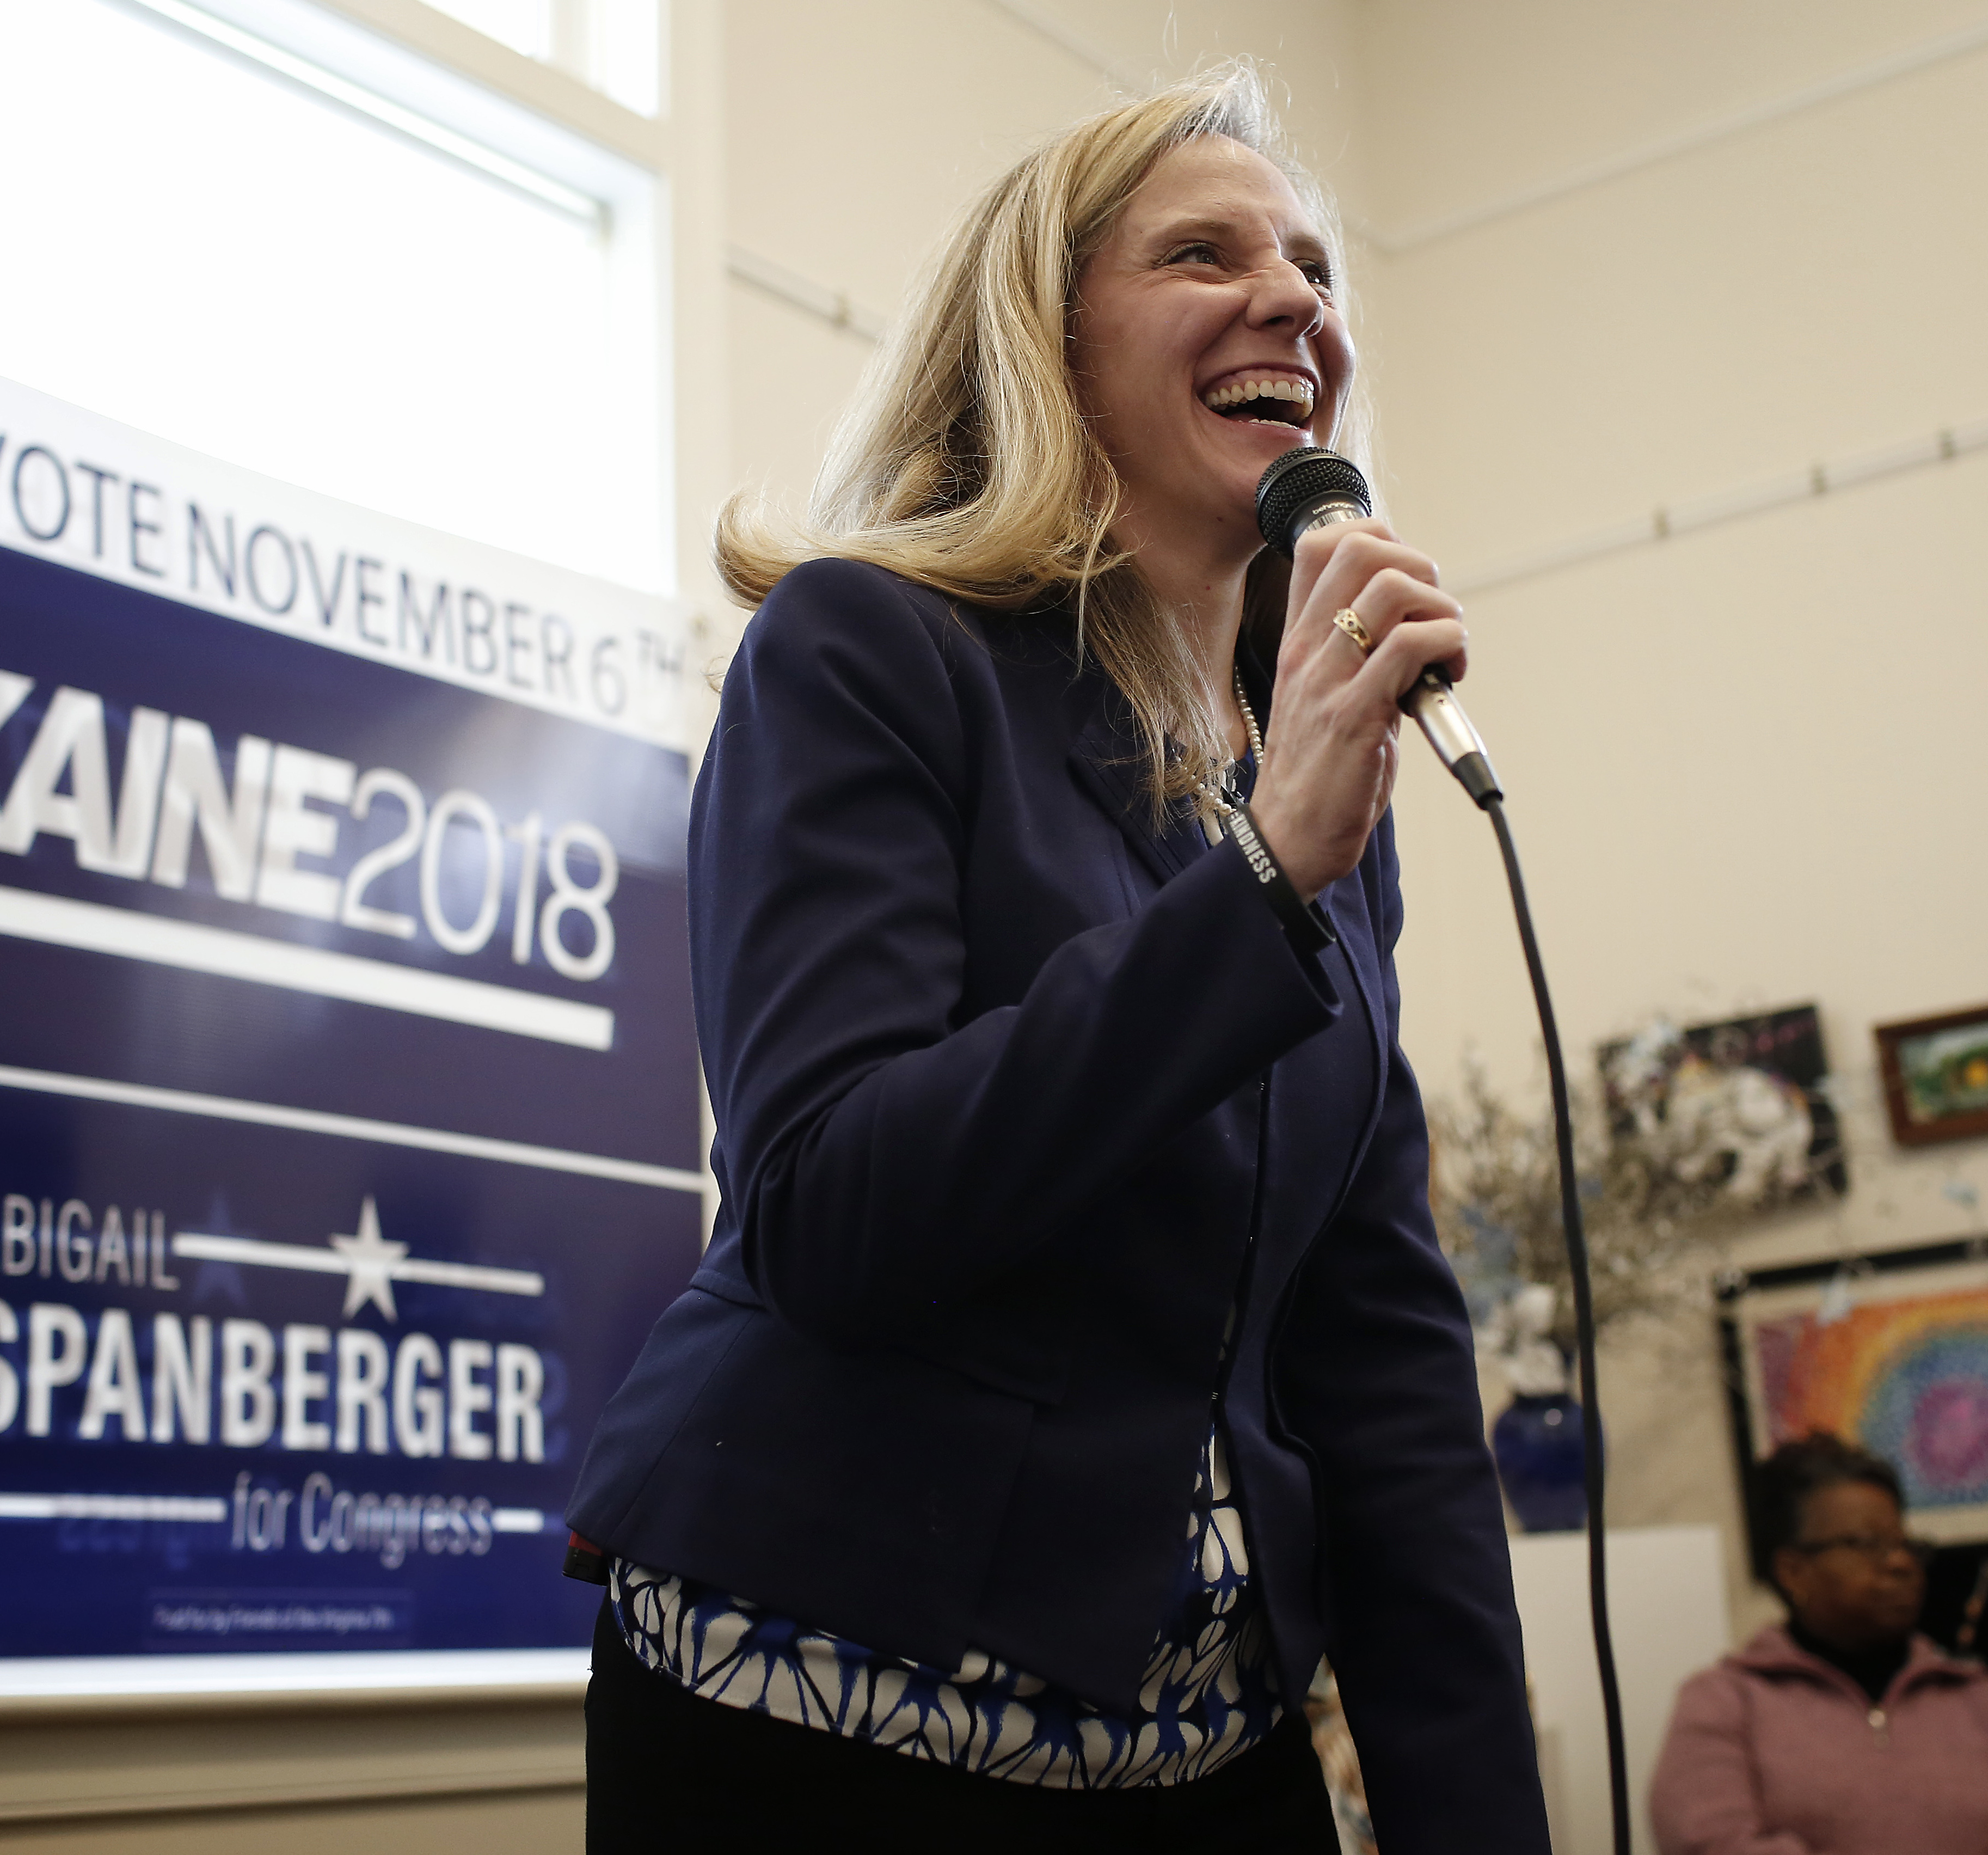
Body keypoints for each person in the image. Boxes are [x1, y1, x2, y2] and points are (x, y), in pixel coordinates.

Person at [557, 64, 1548, 1855]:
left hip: (1201, 1745)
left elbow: (1379, 1339)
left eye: (1313, 268)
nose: (1295, 301)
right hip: (819, 1710)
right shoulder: (865, 651)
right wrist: (1255, 884)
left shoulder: (1317, 773)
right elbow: (831, 1210)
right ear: (1047, 342)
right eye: (1202, 253)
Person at [1649, 1434, 1988, 1855]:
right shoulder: (1725, 1703)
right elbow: (1708, 1845)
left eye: (1905, 1544)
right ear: (1794, 1571)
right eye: (1867, 1544)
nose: (1901, 1563)